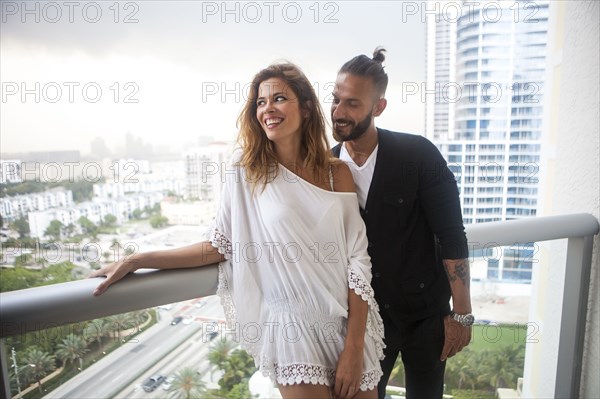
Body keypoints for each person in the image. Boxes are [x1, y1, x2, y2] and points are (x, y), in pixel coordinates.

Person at [91, 62, 385, 399]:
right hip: (292, 329)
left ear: (305, 107)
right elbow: (218, 246)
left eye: (278, 98)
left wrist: (354, 345)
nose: (268, 109)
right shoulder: (247, 173)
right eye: (260, 102)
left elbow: (357, 261)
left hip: (348, 325)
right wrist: (138, 259)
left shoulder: (338, 173)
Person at [330, 47, 473, 399]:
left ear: (378, 107)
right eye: (335, 99)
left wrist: (462, 314)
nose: (338, 112)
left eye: (352, 103)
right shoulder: (325, 169)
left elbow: (452, 236)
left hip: (428, 319)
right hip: (365, 323)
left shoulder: (419, 155)